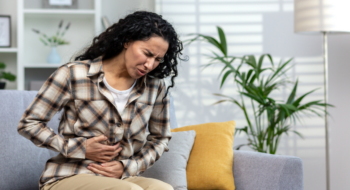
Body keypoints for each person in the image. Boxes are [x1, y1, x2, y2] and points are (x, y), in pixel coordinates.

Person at [17, 11, 185, 190]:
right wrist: (77, 148)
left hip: (121, 178)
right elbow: (29, 124)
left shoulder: (155, 87)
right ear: (127, 41)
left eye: (157, 59)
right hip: (70, 175)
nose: (150, 64)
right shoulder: (72, 74)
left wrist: (128, 166)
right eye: (147, 53)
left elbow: (160, 138)